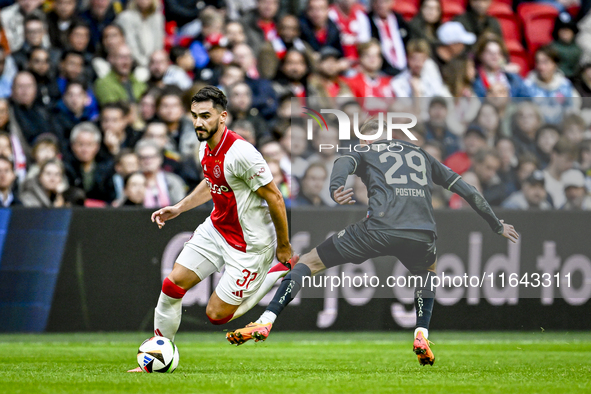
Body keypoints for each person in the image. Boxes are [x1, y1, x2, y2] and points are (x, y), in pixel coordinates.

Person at [226, 117, 519, 367]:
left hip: (379, 228)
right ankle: (421, 333)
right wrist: (496, 224)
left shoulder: (363, 151)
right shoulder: (421, 154)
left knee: (308, 262)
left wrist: (335, 187)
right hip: (423, 234)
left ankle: (266, 319)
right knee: (428, 271)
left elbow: (342, 161)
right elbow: (468, 190)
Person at [127, 86, 294, 372]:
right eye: (194, 116)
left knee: (216, 315)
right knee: (172, 285)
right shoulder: (205, 145)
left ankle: (275, 273)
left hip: (249, 245)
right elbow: (212, 181)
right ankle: (157, 354)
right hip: (217, 229)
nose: (198, 123)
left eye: (205, 116)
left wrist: (283, 246)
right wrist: (179, 208)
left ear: (222, 117)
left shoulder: (243, 154)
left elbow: (275, 197)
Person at [115, 0, 164, 68]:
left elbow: (158, 45)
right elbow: (130, 45)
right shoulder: (126, 17)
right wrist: (146, 64)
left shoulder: (158, 18)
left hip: (154, 63)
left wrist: (155, 62)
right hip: (133, 63)